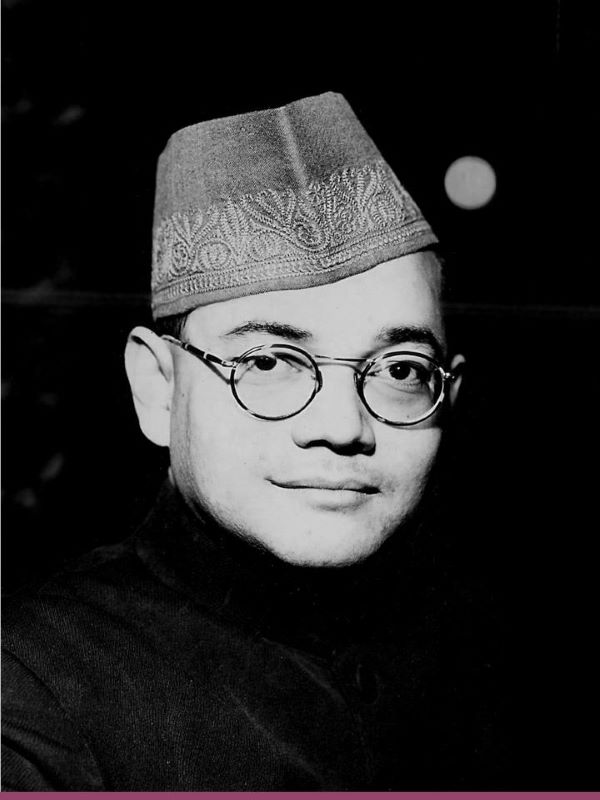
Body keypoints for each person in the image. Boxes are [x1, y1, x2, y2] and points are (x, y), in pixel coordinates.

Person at [2, 92, 497, 791]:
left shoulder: (508, 667)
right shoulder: (34, 696)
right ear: (159, 388)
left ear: (451, 395)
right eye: (267, 362)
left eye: (400, 371)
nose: (342, 426)